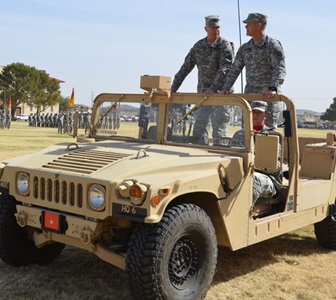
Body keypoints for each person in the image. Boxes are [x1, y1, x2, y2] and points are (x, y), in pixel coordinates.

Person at [171, 15, 234, 145]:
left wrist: (213, 88)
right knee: (199, 131)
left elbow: (225, 69)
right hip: (204, 95)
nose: (215, 30)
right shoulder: (199, 46)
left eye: (217, 27)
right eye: (212, 28)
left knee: (219, 134)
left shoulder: (225, 46)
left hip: (221, 95)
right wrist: (173, 87)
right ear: (206, 29)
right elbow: (185, 67)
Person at [220, 12, 286, 128]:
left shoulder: (272, 46)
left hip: (268, 99)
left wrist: (273, 88)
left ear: (258, 25)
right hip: (250, 98)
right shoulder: (245, 48)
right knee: (246, 133)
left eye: (248, 24)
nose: (245, 27)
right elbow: (234, 70)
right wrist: (226, 87)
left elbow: (279, 69)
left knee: (267, 134)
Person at [231, 101, 282, 204]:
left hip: (268, 178)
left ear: (265, 115)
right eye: (252, 112)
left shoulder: (271, 136)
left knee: (252, 180)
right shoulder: (239, 134)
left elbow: (274, 166)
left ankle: (243, 215)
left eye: (259, 113)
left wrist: (252, 161)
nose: (255, 115)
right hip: (243, 173)